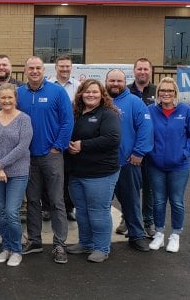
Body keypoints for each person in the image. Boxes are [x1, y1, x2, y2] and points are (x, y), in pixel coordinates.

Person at [18, 56, 73, 264]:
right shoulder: (19, 93)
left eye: (38, 68)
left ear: (43, 70)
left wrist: (57, 147)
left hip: (52, 156)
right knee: (32, 201)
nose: (34, 71)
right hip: (27, 157)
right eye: (30, 68)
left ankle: (60, 244)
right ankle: (35, 240)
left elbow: (67, 122)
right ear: (25, 71)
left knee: (57, 201)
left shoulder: (57, 92)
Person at [65, 80, 121, 263]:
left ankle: (102, 248)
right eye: (87, 92)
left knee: (98, 211)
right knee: (82, 211)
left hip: (101, 173)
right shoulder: (76, 114)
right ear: (81, 94)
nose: (91, 95)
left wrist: (83, 145)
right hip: (77, 172)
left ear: (102, 94)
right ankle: (86, 243)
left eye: (95, 92)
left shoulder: (108, 114)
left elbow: (112, 139)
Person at [147, 77, 190, 253]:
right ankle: (159, 234)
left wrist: (184, 154)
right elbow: (145, 134)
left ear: (175, 93)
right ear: (158, 93)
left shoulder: (186, 111)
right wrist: (151, 154)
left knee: (176, 201)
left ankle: (175, 235)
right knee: (159, 201)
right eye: (163, 90)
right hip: (156, 166)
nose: (166, 93)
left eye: (170, 91)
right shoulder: (151, 111)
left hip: (179, 166)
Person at [105, 69, 154, 252]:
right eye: (112, 80)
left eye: (119, 80)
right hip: (103, 165)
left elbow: (146, 129)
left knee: (131, 201)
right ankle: (100, 238)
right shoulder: (101, 101)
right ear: (106, 81)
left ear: (125, 82)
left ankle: (137, 235)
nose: (115, 84)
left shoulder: (135, 102)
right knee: (101, 205)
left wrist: (139, 153)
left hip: (128, 162)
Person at [0, 83, 33, 267]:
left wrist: (2, 164)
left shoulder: (24, 119)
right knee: (2, 213)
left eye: (9, 97)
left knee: (12, 212)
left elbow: (22, 147)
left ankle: (16, 250)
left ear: (15, 99)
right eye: (2, 98)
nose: (6, 101)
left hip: (18, 172)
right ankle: (6, 248)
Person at [124, 57, 157, 238]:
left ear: (150, 71)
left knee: (149, 187)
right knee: (130, 187)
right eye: (139, 69)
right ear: (134, 71)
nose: (142, 72)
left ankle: (148, 222)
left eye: (146, 69)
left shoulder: (157, 91)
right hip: (130, 149)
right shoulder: (126, 91)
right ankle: (128, 219)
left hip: (151, 149)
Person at [47, 54, 81, 221]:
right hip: (51, 136)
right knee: (48, 174)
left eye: (68, 66)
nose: (65, 69)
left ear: (71, 67)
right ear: (56, 67)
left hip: (71, 136)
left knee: (67, 174)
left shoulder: (78, 86)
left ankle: (68, 207)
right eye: (61, 66)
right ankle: (46, 208)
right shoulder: (48, 85)